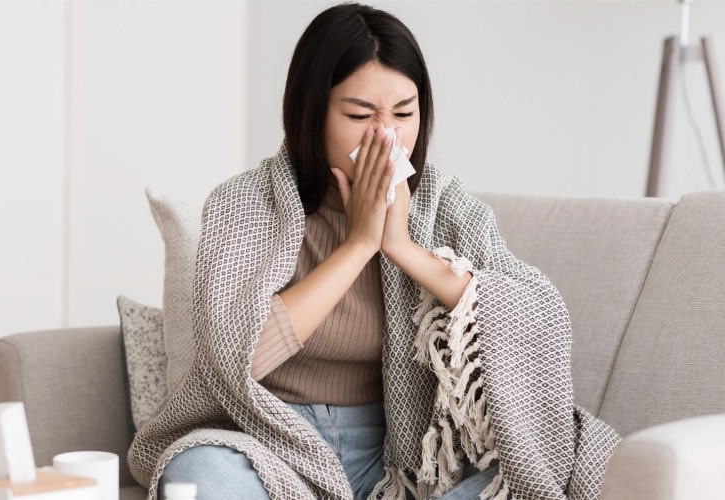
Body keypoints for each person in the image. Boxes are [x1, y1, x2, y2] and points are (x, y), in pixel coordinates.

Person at [128, 4, 620, 500]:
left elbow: (532, 316)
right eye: (361, 115)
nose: (387, 137)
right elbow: (237, 357)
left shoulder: (445, 206)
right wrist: (359, 243)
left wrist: (401, 247)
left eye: (404, 113)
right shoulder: (245, 205)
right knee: (198, 474)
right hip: (266, 442)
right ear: (312, 113)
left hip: (398, 463)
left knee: (539, 475)